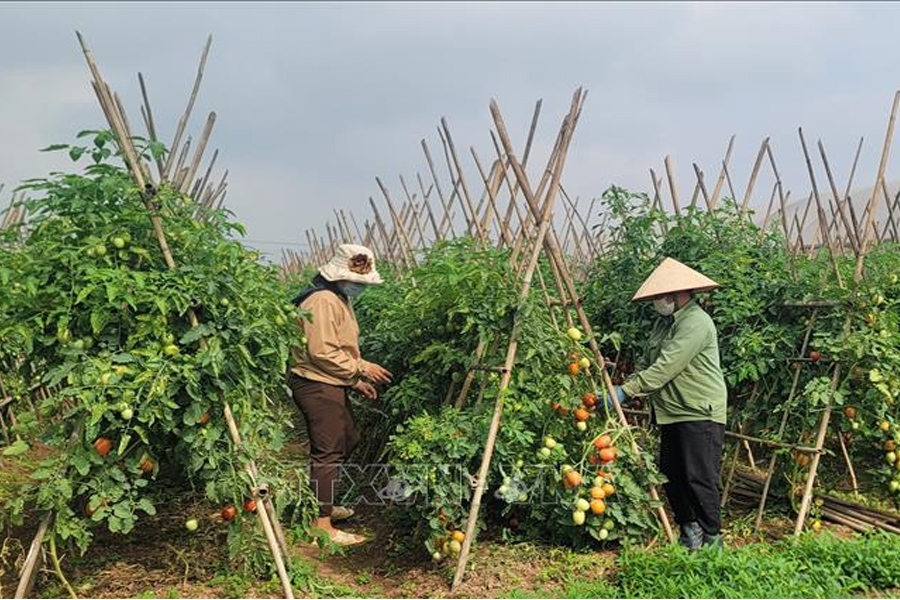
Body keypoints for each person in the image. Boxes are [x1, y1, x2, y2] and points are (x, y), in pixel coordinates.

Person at [610, 257, 727, 550]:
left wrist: (626, 392)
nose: (658, 302)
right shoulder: (663, 325)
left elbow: (665, 367)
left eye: (662, 296)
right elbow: (647, 363)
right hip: (671, 411)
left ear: (679, 293)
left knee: (699, 477)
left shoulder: (696, 323)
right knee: (672, 474)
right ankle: (690, 534)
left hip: (699, 410)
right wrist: (624, 385)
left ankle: (712, 540)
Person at [287, 244, 393, 546]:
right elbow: (321, 351)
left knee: (347, 437)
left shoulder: (337, 298)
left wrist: (354, 382)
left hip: (327, 379)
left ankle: (322, 502)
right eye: (356, 281)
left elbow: (334, 349)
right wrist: (361, 368)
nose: (359, 286)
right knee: (329, 451)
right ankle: (321, 526)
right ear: (337, 275)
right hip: (315, 382)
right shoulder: (322, 300)